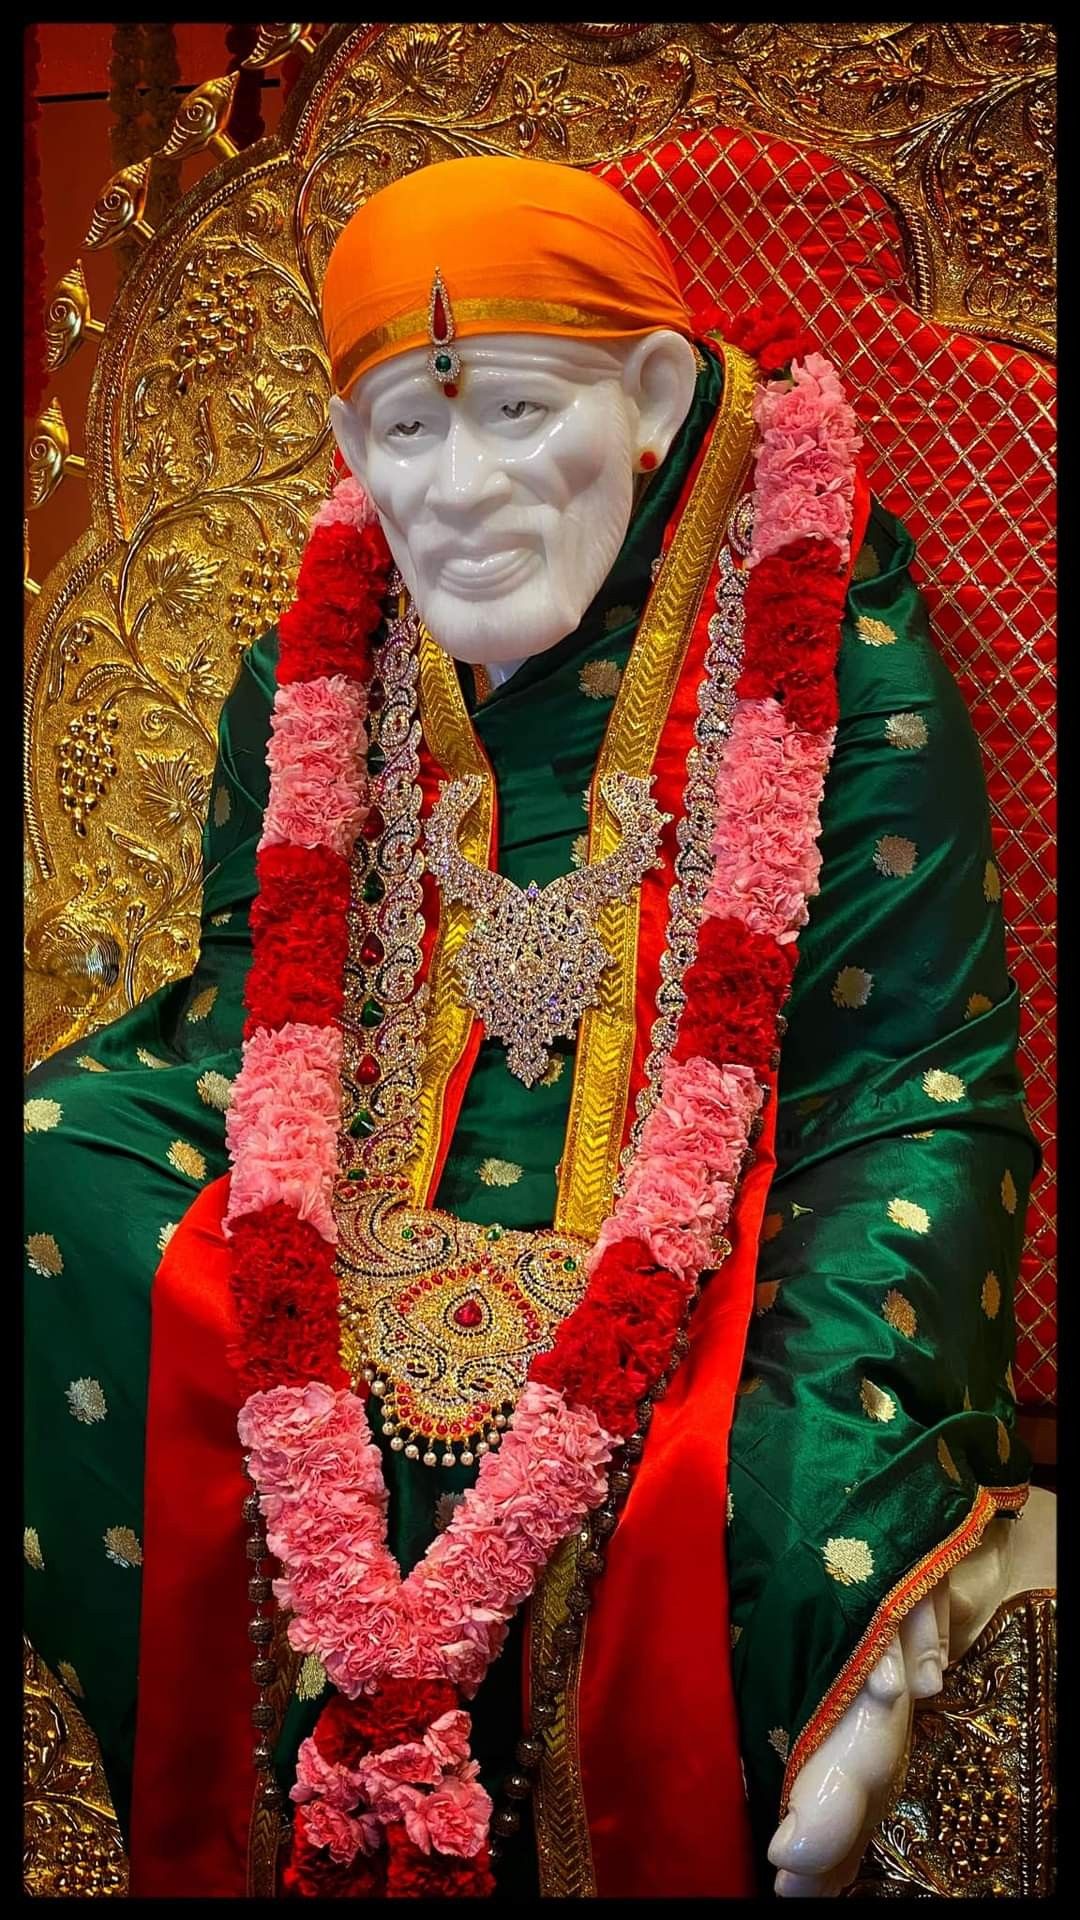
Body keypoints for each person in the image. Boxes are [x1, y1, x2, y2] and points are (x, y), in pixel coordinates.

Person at [23, 154, 1036, 1899]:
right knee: (54, 1160)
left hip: (730, 1201)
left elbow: (909, 1074)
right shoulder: (314, 666)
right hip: (347, 1172)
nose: (463, 488)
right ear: (347, 452)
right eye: (408, 429)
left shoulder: (825, 638)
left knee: (795, 1430)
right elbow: (248, 1011)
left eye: (515, 410)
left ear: (649, 398)